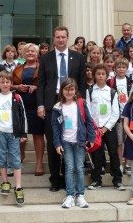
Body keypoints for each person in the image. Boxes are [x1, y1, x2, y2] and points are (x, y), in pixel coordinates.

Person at [37, 25, 86, 192]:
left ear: (67, 38)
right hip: (52, 105)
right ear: (54, 38)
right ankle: (55, 179)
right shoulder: (45, 58)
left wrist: (81, 102)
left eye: (63, 37)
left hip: (72, 104)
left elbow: (82, 82)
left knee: (69, 140)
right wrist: (41, 104)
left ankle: (67, 178)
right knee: (53, 143)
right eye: (57, 37)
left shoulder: (78, 57)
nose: (60, 39)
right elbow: (41, 83)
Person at [52, 78, 96, 208]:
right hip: (66, 142)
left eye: (71, 89)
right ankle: (70, 195)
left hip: (80, 142)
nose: (69, 92)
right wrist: (57, 143)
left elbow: (89, 121)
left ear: (75, 90)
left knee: (79, 168)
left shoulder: (81, 103)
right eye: (66, 89)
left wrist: (91, 138)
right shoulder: (57, 107)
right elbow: (55, 126)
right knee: (69, 168)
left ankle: (80, 195)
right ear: (62, 91)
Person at [0, 71, 27, 205]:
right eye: (2, 82)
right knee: (1, 156)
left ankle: (19, 186)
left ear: (11, 83)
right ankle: (5, 183)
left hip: (13, 132)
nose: (5, 84)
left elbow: (23, 116)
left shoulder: (16, 97)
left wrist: (23, 133)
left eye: (7, 82)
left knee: (15, 158)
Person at [86, 64, 124, 191]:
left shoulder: (112, 92)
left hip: (109, 129)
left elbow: (115, 113)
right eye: (98, 74)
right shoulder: (90, 91)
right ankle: (96, 179)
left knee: (113, 153)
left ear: (107, 76)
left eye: (103, 74)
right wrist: (96, 128)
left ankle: (117, 180)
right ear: (94, 75)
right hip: (96, 129)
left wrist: (106, 128)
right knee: (97, 154)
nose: (100, 76)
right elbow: (88, 110)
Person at [12, 43, 45, 176]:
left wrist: (37, 88)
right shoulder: (18, 69)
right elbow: (10, 85)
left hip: (37, 104)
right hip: (21, 104)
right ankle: (20, 156)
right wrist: (18, 87)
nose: (30, 53)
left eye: (33, 51)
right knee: (21, 133)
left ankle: (39, 163)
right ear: (23, 54)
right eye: (28, 51)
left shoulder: (42, 68)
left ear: (37, 54)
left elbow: (47, 84)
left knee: (38, 134)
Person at [107, 57, 133, 174]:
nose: (121, 69)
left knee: (128, 140)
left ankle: (128, 163)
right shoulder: (111, 82)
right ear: (115, 68)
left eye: (123, 67)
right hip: (116, 116)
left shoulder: (131, 82)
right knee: (119, 141)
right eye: (119, 67)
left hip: (129, 115)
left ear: (127, 68)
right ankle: (119, 164)